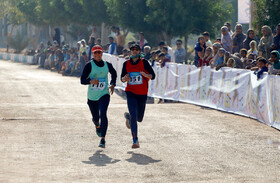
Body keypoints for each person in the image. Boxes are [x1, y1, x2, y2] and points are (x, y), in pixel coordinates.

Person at [80, 45, 117, 148]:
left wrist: (113, 83)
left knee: (103, 114)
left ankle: (103, 139)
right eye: (95, 53)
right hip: (92, 97)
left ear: (102, 54)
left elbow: (114, 73)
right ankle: (97, 124)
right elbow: (82, 80)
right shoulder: (89, 65)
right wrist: (91, 81)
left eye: (99, 52)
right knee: (96, 118)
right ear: (92, 54)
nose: (97, 55)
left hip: (104, 93)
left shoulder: (107, 65)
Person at [120, 44, 155, 148]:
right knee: (134, 115)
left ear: (139, 51)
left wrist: (145, 75)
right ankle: (135, 140)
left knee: (139, 118)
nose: (134, 51)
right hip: (130, 92)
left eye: (136, 50)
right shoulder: (126, 63)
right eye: (132, 50)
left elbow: (152, 76)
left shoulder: (144, 62)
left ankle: (128, 117)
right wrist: (124, 79)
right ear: (130, 52)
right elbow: (122, 78)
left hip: (142, 93)